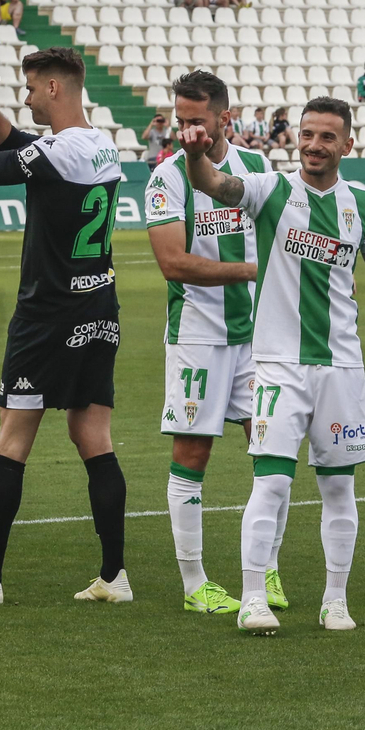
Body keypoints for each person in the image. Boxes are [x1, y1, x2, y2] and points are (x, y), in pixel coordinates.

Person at [177, 83, 365, 635]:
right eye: (307, 135)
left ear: (347, 144)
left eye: (328, 137)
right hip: (279, 364)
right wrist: (193, 152)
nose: (315, 145)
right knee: (272, 483)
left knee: (339, 488)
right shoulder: (268, 190)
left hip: (341, 367)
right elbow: (211, 181)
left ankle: (335, 600)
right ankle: (253, 597)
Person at [0, 44, 128, 604]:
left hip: (46, 314)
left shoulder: (61, 151)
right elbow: (18, 145)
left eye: (29, 88)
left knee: (14, 435)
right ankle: (114, 576)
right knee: (92, 434)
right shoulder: (97, 143)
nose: (24, 97)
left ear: (54, 87)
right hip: (98, 306)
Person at [141, 71, 273, 615]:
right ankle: (195, 582)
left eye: (197, 120)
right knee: (192, 452)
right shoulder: (165, 178)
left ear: (224, 118)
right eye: (181, 120)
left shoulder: (257, 168)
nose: (187, 129)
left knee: (269, 448)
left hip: (258, 336)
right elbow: (173, 263)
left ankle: (266, 572)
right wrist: (253, 270)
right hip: (197, 336)